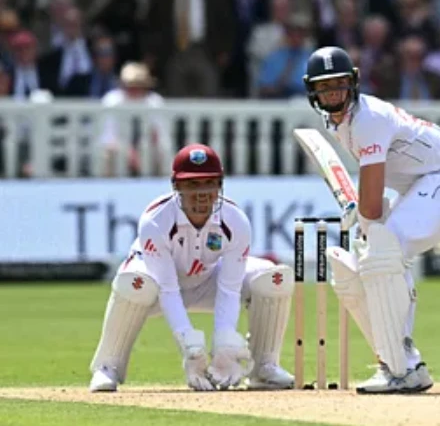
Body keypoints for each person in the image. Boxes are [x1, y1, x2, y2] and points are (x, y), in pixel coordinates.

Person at [302, 46, 440, 393]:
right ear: (313, 92)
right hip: (421, 183)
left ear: (353, 83)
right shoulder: (341, 122)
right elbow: (372, 204)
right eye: (325, 87)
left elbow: (370, 206)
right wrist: (367, 221)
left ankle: (401, 364)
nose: (333, 93)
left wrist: (362, 214)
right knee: (372, 260)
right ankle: (399, 360)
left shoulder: (367, 119)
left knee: (384, 251)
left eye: (339, 84)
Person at [88, 144, 295, 392]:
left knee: (273, 278)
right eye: (192, 184)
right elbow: (167, 289)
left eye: (209, 183)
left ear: (220, 185)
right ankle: (107, 367)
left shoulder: (235, 220)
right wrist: (190, 349)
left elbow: (229, 289)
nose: (202, 194)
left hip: (207, 282)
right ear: (176, 186)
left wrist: (224, 347)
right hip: (156, 290)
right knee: (135, 284)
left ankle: (264, 367)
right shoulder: (156, 220)